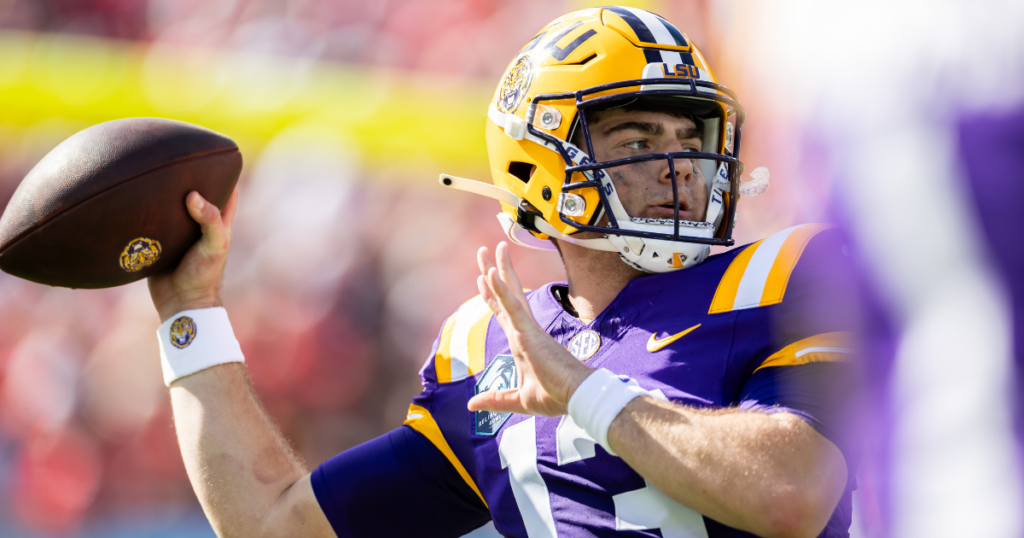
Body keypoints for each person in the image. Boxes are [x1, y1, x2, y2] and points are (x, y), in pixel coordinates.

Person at [148, 7, 861, 538]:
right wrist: (191, 314)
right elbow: (275, 524)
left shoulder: (782, 280)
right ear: (539, 166)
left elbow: (792, 493)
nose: (679, 166)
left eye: (690, 137)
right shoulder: (485, 350)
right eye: (638, 138)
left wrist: (585, 394)